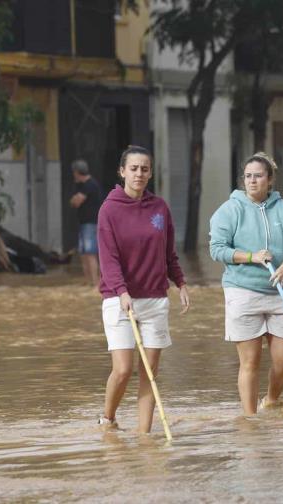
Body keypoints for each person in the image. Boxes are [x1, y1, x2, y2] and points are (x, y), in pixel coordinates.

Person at [96, 146, 190, 431]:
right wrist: (122, 291)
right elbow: (108, 259)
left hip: (155, 300)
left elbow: (168, 252)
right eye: (134, 168)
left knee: (149, 373)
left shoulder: (159, 208)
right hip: (119, 299)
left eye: (145, 169)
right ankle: (108, 419)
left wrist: (181, 282)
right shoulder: (108, 209)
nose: (139, 174)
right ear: (122, 171)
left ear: (150, 173)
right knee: (123, 369)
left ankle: (144, 436)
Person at [209, 152, 283, 415]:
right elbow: (217, 250)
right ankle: (250, 420)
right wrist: (252, 257)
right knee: (250, 362)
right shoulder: (229, 210)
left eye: (258, 176)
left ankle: (272, 400)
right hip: (242, 291)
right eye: (248, 176)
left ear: (270, 180)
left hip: (279, 292)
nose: (252, 181)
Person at [69, 159, 102, 287]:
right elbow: (73, 201)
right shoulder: (82, 186)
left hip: (91, 223)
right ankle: (89, 281)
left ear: (77, 172)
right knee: (83, 254)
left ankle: (95, 283)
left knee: (90, 253)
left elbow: (76, 202)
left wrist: (75, 199)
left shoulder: (90, 185)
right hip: (84, 223)